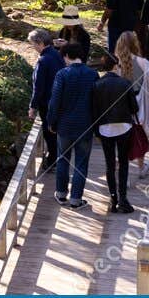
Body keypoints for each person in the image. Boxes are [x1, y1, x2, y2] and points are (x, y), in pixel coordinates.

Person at [46, 41, 97, 209]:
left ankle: (61, 194)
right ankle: (76, 199)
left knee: (63, 160)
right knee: (81, 163)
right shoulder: (93, 74)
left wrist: (51, 122)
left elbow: (55, 101)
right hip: (86, 125)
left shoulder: (62, 74)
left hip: (65, 126)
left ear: (67, 56)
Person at [92, 57, 139, 214]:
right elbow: (134, 108)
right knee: (123, 163)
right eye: (118, 65)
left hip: (105, 128)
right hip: (124, 127)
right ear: (114, 66)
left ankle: (113, 199)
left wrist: (95, 130)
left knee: (109, 165)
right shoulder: (125, 83)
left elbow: (94, 110)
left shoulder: (97, 85)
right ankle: (123, 199)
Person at [115, 31, 149, 177]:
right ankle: (140, 168)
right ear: (136, 44)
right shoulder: (144, 63)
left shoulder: (116, 65)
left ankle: (121, 169)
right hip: (138, 109)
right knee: (139, 137)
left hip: (120, 110)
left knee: (122, 140)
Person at [28, 28, 63, 172]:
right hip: (59, 100)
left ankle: (53, 161)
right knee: (55, 131)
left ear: (40, 43)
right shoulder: (57, 54)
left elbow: (38, 87)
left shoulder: (43, 60)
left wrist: (32, 107)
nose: (33, 47)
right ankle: (56, 158)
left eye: (33, 44)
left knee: (49, 132)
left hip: (47, 102)